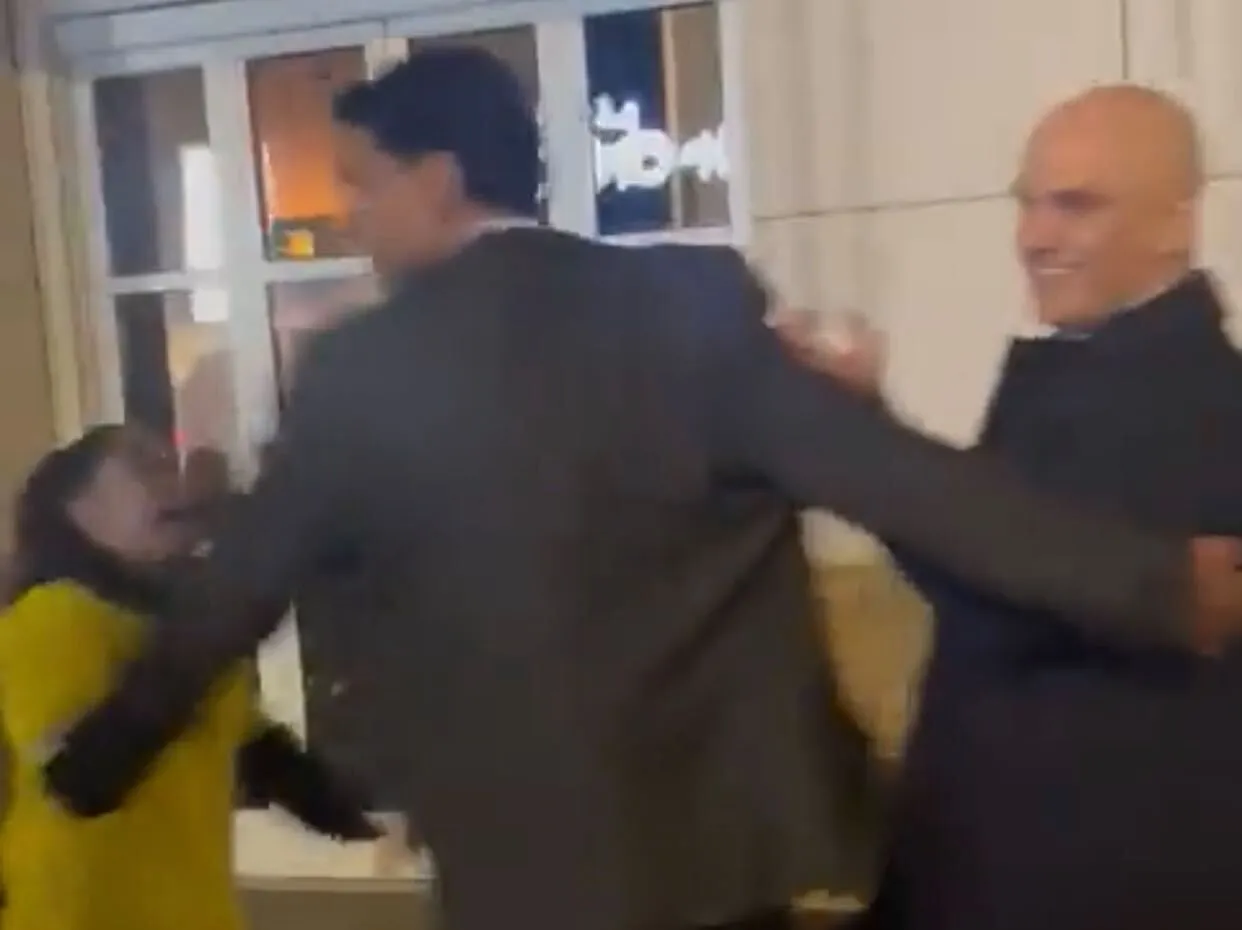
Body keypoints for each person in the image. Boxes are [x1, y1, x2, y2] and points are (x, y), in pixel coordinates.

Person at [36, 51, 1242, 930]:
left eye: (363, 185)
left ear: (439, 181)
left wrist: (97, 761)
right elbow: (905, 486)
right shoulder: (690, 303)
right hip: (729, 867)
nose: (352, 221)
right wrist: (1155, 585)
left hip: (524, 880)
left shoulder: (363, 369)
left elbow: (232, 597)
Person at [775, 86, 1242, 930]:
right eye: (1027, 204)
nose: (1034, 237)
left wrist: (859, 438)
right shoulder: (1086, 369)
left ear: (1177, 222)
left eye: (1077, 206)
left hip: (1082, 877)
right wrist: (870, 424)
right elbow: (986, 548)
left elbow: (1000, 582)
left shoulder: (1196, 403)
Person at [0, 424, 378, 930]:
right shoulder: (50, 615)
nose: (174, 481)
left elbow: (272, 762)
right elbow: (82, 780)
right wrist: (222, 612)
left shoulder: (173, 632)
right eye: (144, 465)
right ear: (77, 508)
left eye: (170, 464)